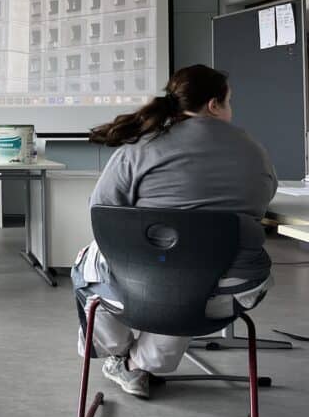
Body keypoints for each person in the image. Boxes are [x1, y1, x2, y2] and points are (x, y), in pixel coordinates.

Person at [73, 64, 277, 399]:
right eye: (229, 101)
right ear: (213, 105)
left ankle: (116, 353)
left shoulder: (140, 148)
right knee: (192, 275)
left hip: (139, 288)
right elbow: (261, 204)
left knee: (101, 265)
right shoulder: (254, 149)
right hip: (227, 294)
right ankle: (139, 364)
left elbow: (101, 212)